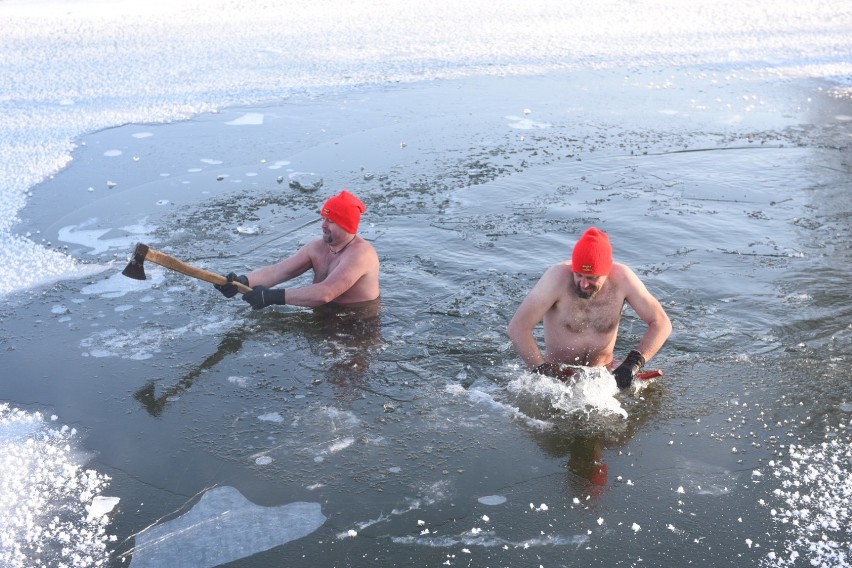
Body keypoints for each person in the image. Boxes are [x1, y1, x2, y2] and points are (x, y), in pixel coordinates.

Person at [507, 227, 671, 389]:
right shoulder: (556, 278)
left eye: (592, 278)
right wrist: (542, 371)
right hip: (557, 377)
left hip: (603, 376)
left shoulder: (623, 279)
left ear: (607, 272)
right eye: (578, 274)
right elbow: (518, 328)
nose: (583, 284)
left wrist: (633, 363)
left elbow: (661, 323)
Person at [217, 190, 380, 310]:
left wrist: (272, 296)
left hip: (358, 321)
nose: (323, 225)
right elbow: (278, 271)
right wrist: (242, 281)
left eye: (331, 221)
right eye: (323, 218)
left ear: (347, 225)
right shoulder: (316, 247)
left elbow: (325, 293)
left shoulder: (361, 255)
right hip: (322, 315)